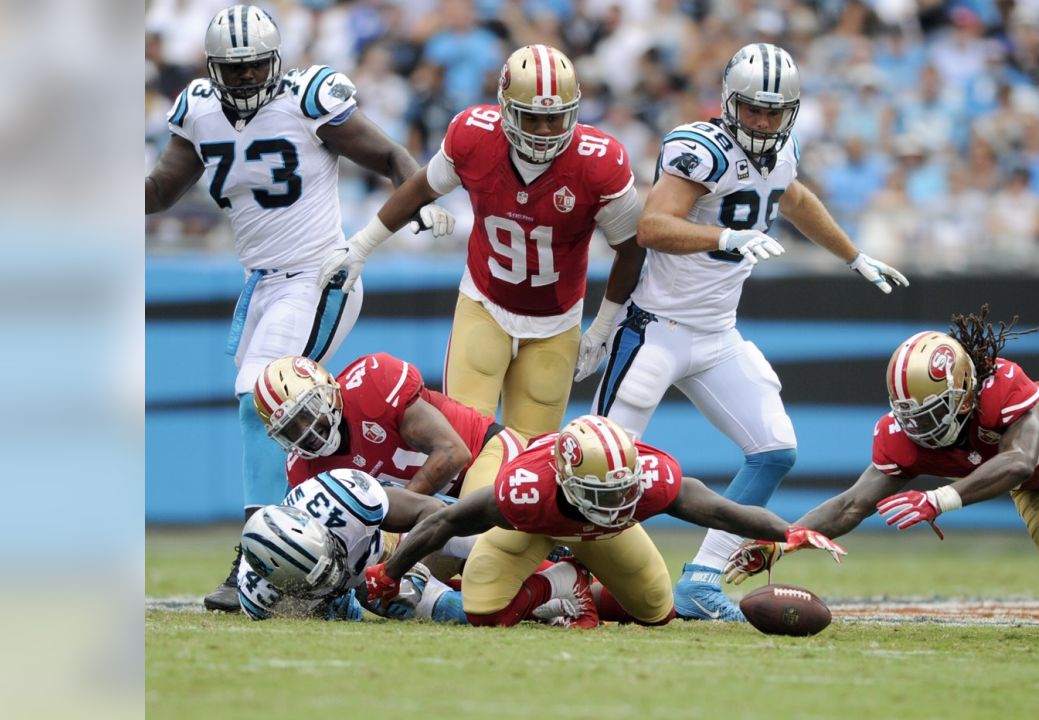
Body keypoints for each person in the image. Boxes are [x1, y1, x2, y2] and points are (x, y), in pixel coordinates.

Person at [578, 43, 908, 622]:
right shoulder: (699, 148)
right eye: (753, 109)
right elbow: (653, 227)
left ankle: (703, 579)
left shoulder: (784, 152)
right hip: (656, 328)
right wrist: (723, 238)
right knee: (596, 463)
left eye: (774, 112)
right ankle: (550, 573)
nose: (763, 122)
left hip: (716, 335)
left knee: (775, 449)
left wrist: (853, 256)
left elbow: (794, 198)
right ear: (730, 103)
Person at [143, 5, 441, 612]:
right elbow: (156, 191)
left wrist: (419, 199)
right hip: (262, 285)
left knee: (266, 400)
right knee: (282, 415)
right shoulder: (198, 109)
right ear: (213, 68)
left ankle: (258, 561)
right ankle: (316, 553)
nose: (248, 79)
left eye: (256, 67)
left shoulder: (308, 99)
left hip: (318, 274)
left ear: (275, 62)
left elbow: (388, 156)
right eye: (236, 69)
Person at [317, 44, 646, 442]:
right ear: (506, 109)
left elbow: (631, 247)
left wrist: (603, 327)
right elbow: (421, 188)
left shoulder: (599, 162)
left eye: (556, 118)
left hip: (556, 321)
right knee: (465, 441)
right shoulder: (474, 136)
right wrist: (362, 246)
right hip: (485, 303)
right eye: (533, 118)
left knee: (530, 456)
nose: (545, 131)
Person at [727, 307, 1039, 618]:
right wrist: (782, 542)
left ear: (965, 390)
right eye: (910, 414)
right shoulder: (903, 436)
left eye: (932, 410)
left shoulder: (1000, 385)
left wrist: (940, 499)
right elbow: (852, 504)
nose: (920, 426)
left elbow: (1020, 460)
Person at [363, 414, 846, 628]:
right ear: (567, 480)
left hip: (601, 535)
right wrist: (391, 571)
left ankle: (579, 591)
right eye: (603, 493)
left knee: (656, 611)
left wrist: (787, 531)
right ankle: (558, 586)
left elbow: (720, 509)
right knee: (484, 611)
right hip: (537, 529)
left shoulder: (647, 479)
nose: (618, 500)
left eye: (622, 489)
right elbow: (444, 523)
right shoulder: (525, 492)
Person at [238, 467, 591, 626]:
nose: (333, 575)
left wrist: (405, 566)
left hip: (392, 544)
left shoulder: (336, 497)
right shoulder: (261, 599)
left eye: (328, 561)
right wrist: (376, 593)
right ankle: (553, 597)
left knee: (465, 536)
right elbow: (350, 616)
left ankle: (550, 552)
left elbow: (433, 513)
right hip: (370, 588)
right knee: (460, 609)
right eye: (316, 579)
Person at [254, 353, 523, 498]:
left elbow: (453, 452)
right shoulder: (303, 472)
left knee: (469, 547)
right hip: (446, 509)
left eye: (307, 412)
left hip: (485, 455)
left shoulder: (373, 383)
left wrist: (397, 519)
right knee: (390, 585)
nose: (305, 431)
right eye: (291, 429)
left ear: (325, 392)